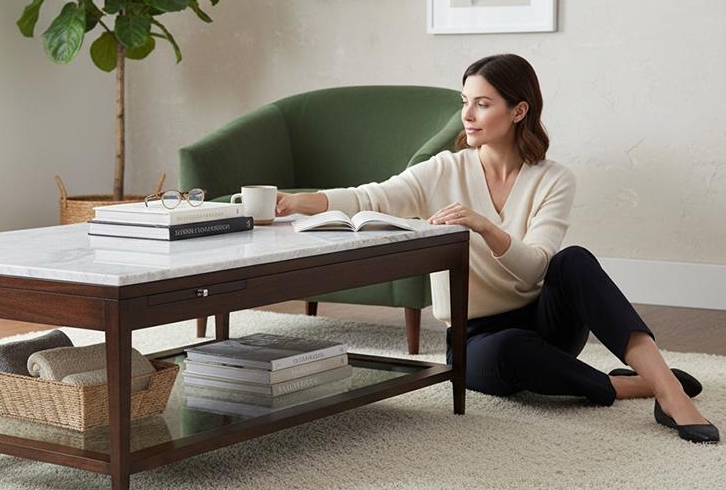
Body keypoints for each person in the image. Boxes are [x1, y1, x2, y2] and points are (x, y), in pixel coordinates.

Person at [274, 54, 718, 443]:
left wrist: (483, 226)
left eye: (482, 104)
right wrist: (297, 202)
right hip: (477, 337)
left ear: (519, 110)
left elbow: (533, 270)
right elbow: (369, 197)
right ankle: (623, 386)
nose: (467, 115)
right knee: (508, 353)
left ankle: (668, 393)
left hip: (546, 322)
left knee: (574, 260)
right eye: (465, 102)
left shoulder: (553, 179)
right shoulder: (442, 170)